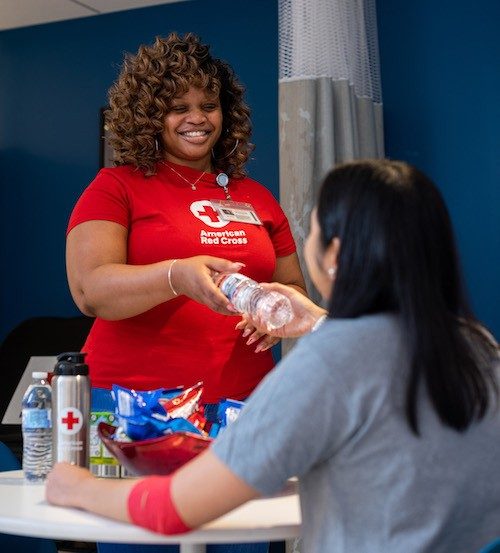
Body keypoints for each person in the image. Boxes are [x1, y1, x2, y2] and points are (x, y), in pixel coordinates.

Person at [48, 159, 500, 552]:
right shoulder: (479, 348)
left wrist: (79, 487)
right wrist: (319, 322)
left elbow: (172, 510)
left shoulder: (329, 363)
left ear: (335, 255)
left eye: (314, 227)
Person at [65, 32, 305, 553]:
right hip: (139, 415)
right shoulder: (117, 186)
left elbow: (291, 288)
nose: (198, 118)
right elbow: (89, 289)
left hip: (242, 414)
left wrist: (274, 313)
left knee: (245, 541)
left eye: (209, 105)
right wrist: (176, 275)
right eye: (178, 107)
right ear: (149, 114)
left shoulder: (254, 195)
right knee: (145, 541)